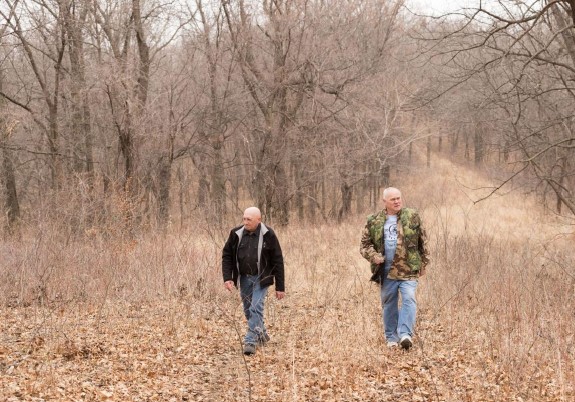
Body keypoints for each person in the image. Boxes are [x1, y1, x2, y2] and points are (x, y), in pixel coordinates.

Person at [360, 187, 429, 350]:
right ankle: (391, 337)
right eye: (393, 199)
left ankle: (405, 334)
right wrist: (373, 256)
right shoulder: (374, 220)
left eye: (399, 198)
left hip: (409, 268)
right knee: (389, 303)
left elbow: (423, 241)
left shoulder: (412, 216)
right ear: (385, 202)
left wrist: (424, 263)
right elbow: (364, 245)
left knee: (409, 298)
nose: (397, 201)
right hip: (385, 270)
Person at [222, 207, 285, 355]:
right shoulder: (236, 233)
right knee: (248, 310)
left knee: (255, 308)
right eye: (244, 218)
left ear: (259, 220)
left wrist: (280, 286)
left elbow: (278, 260)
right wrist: (228, 277)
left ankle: (250, 341)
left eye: (249, 219)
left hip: (262, 278)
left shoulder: (268, 235)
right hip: (244, 277)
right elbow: (227, 255)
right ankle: (261, 334)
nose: (245, 222)